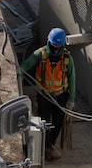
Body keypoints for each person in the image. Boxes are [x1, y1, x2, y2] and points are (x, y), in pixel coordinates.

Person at [19, 28, 76, 161]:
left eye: (58, 45)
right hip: (44, 95)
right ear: (49, 42)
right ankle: (45, 146)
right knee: (44, 122)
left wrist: (71, 99)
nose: (56, 47)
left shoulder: (67, 58)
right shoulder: (40, 54)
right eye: (54, 44)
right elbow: (25, 66)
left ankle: (49, 145)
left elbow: (72, 78)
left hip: (60, 95)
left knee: (58, 122)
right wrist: (18, 72)